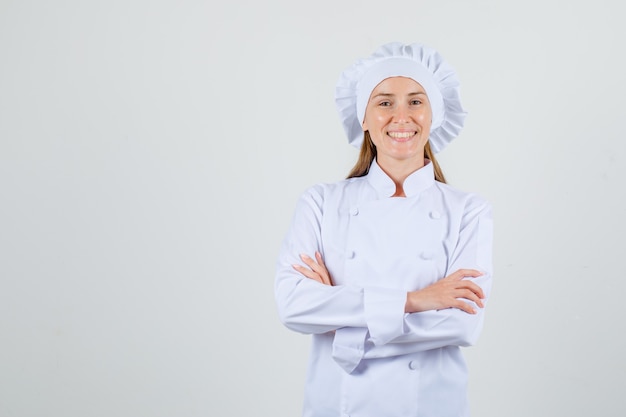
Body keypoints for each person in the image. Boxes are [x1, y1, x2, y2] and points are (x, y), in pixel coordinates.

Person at [274, 42, 493, 417]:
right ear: (363, 116)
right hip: (336, 406)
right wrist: (416, 301)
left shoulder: (469, 211)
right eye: (385, 102)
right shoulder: (321, 203)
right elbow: (293, 307)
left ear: (434, 113)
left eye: (415, 101)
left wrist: (342, 326)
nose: (401, 116)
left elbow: (461, 326)